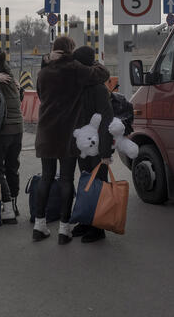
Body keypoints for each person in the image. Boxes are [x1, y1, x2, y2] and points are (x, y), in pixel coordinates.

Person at [33, 37, 110, 245]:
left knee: (47, 177)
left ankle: (39, 226)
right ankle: (64, 230)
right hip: (67, 134)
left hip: (45, 132)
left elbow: (41, 94)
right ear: (70, 50)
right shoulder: (75, 69)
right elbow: (104, 74)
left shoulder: (43, 72)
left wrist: (46, 60)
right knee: (66, 180)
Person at [71, 45, 114, 243]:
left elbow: (106, 121)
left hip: (97, 146)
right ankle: (86, 221)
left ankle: (99, 227)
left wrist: (105, 152)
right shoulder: (79, 85)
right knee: (86, 181)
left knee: (98, 185)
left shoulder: (98, 89)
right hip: (83, 146)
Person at [0, 51, 23, 224]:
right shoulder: (11, 78)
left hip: (2, 130)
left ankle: (7, 208)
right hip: (18, 129)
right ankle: (14, 206)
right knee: (12, 167)